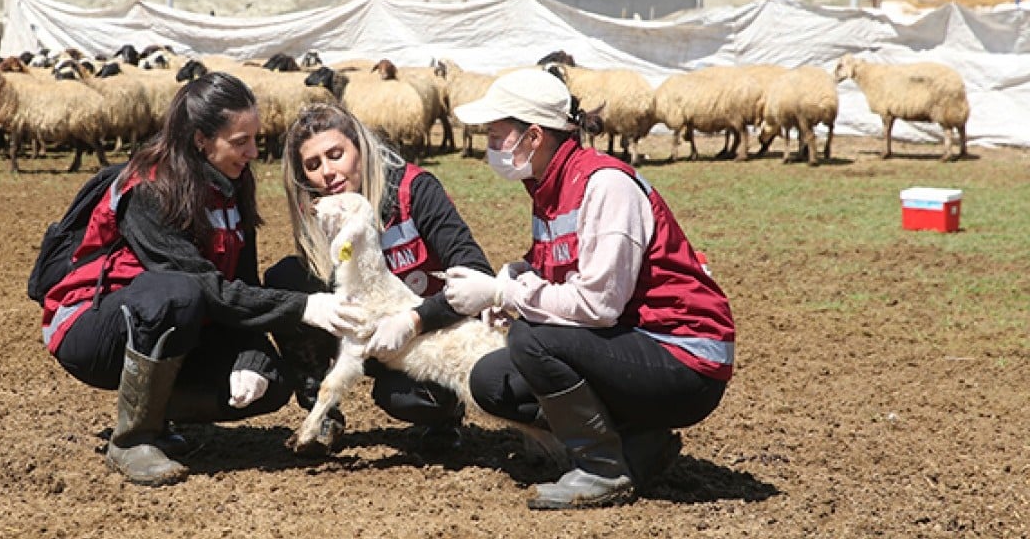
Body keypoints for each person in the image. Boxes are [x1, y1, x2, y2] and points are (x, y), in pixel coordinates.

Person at [42, 72, 364, 486]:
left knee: (273, 381)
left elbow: (241, 281)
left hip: (180, 316)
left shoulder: (232, 182)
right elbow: (204, 287)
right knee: (179, 291)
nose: (252, 152)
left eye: (255, 138)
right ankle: (132, 439)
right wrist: (306, 307)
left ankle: (157, 416)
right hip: (91, 325)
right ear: (200, 140)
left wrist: (252, 359)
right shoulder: (149, 188)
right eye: (240, 142)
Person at [443, 68, 735, 510]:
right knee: (493, 381)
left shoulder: (606, 185)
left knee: (531, 338)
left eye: (495, 132)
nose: (489, 143)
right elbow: (559, 267)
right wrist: (512, 275)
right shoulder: (550, 185)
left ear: (534, 136)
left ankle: (602, 469)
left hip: (685, 357)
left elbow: (597, 303)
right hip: (637, 343)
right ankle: (639, 443)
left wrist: (504, 294)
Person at [264, 102, 493, 455]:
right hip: (361, 332)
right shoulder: (322, 212)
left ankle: (444, 419)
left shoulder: (415, 190)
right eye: (313, 165)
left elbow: (476, 274)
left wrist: (416, 320)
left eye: (336, 154)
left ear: (359, 147)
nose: (327, 172)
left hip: (424, 337)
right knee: (286, 279)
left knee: (406, 399)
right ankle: (321, 412)